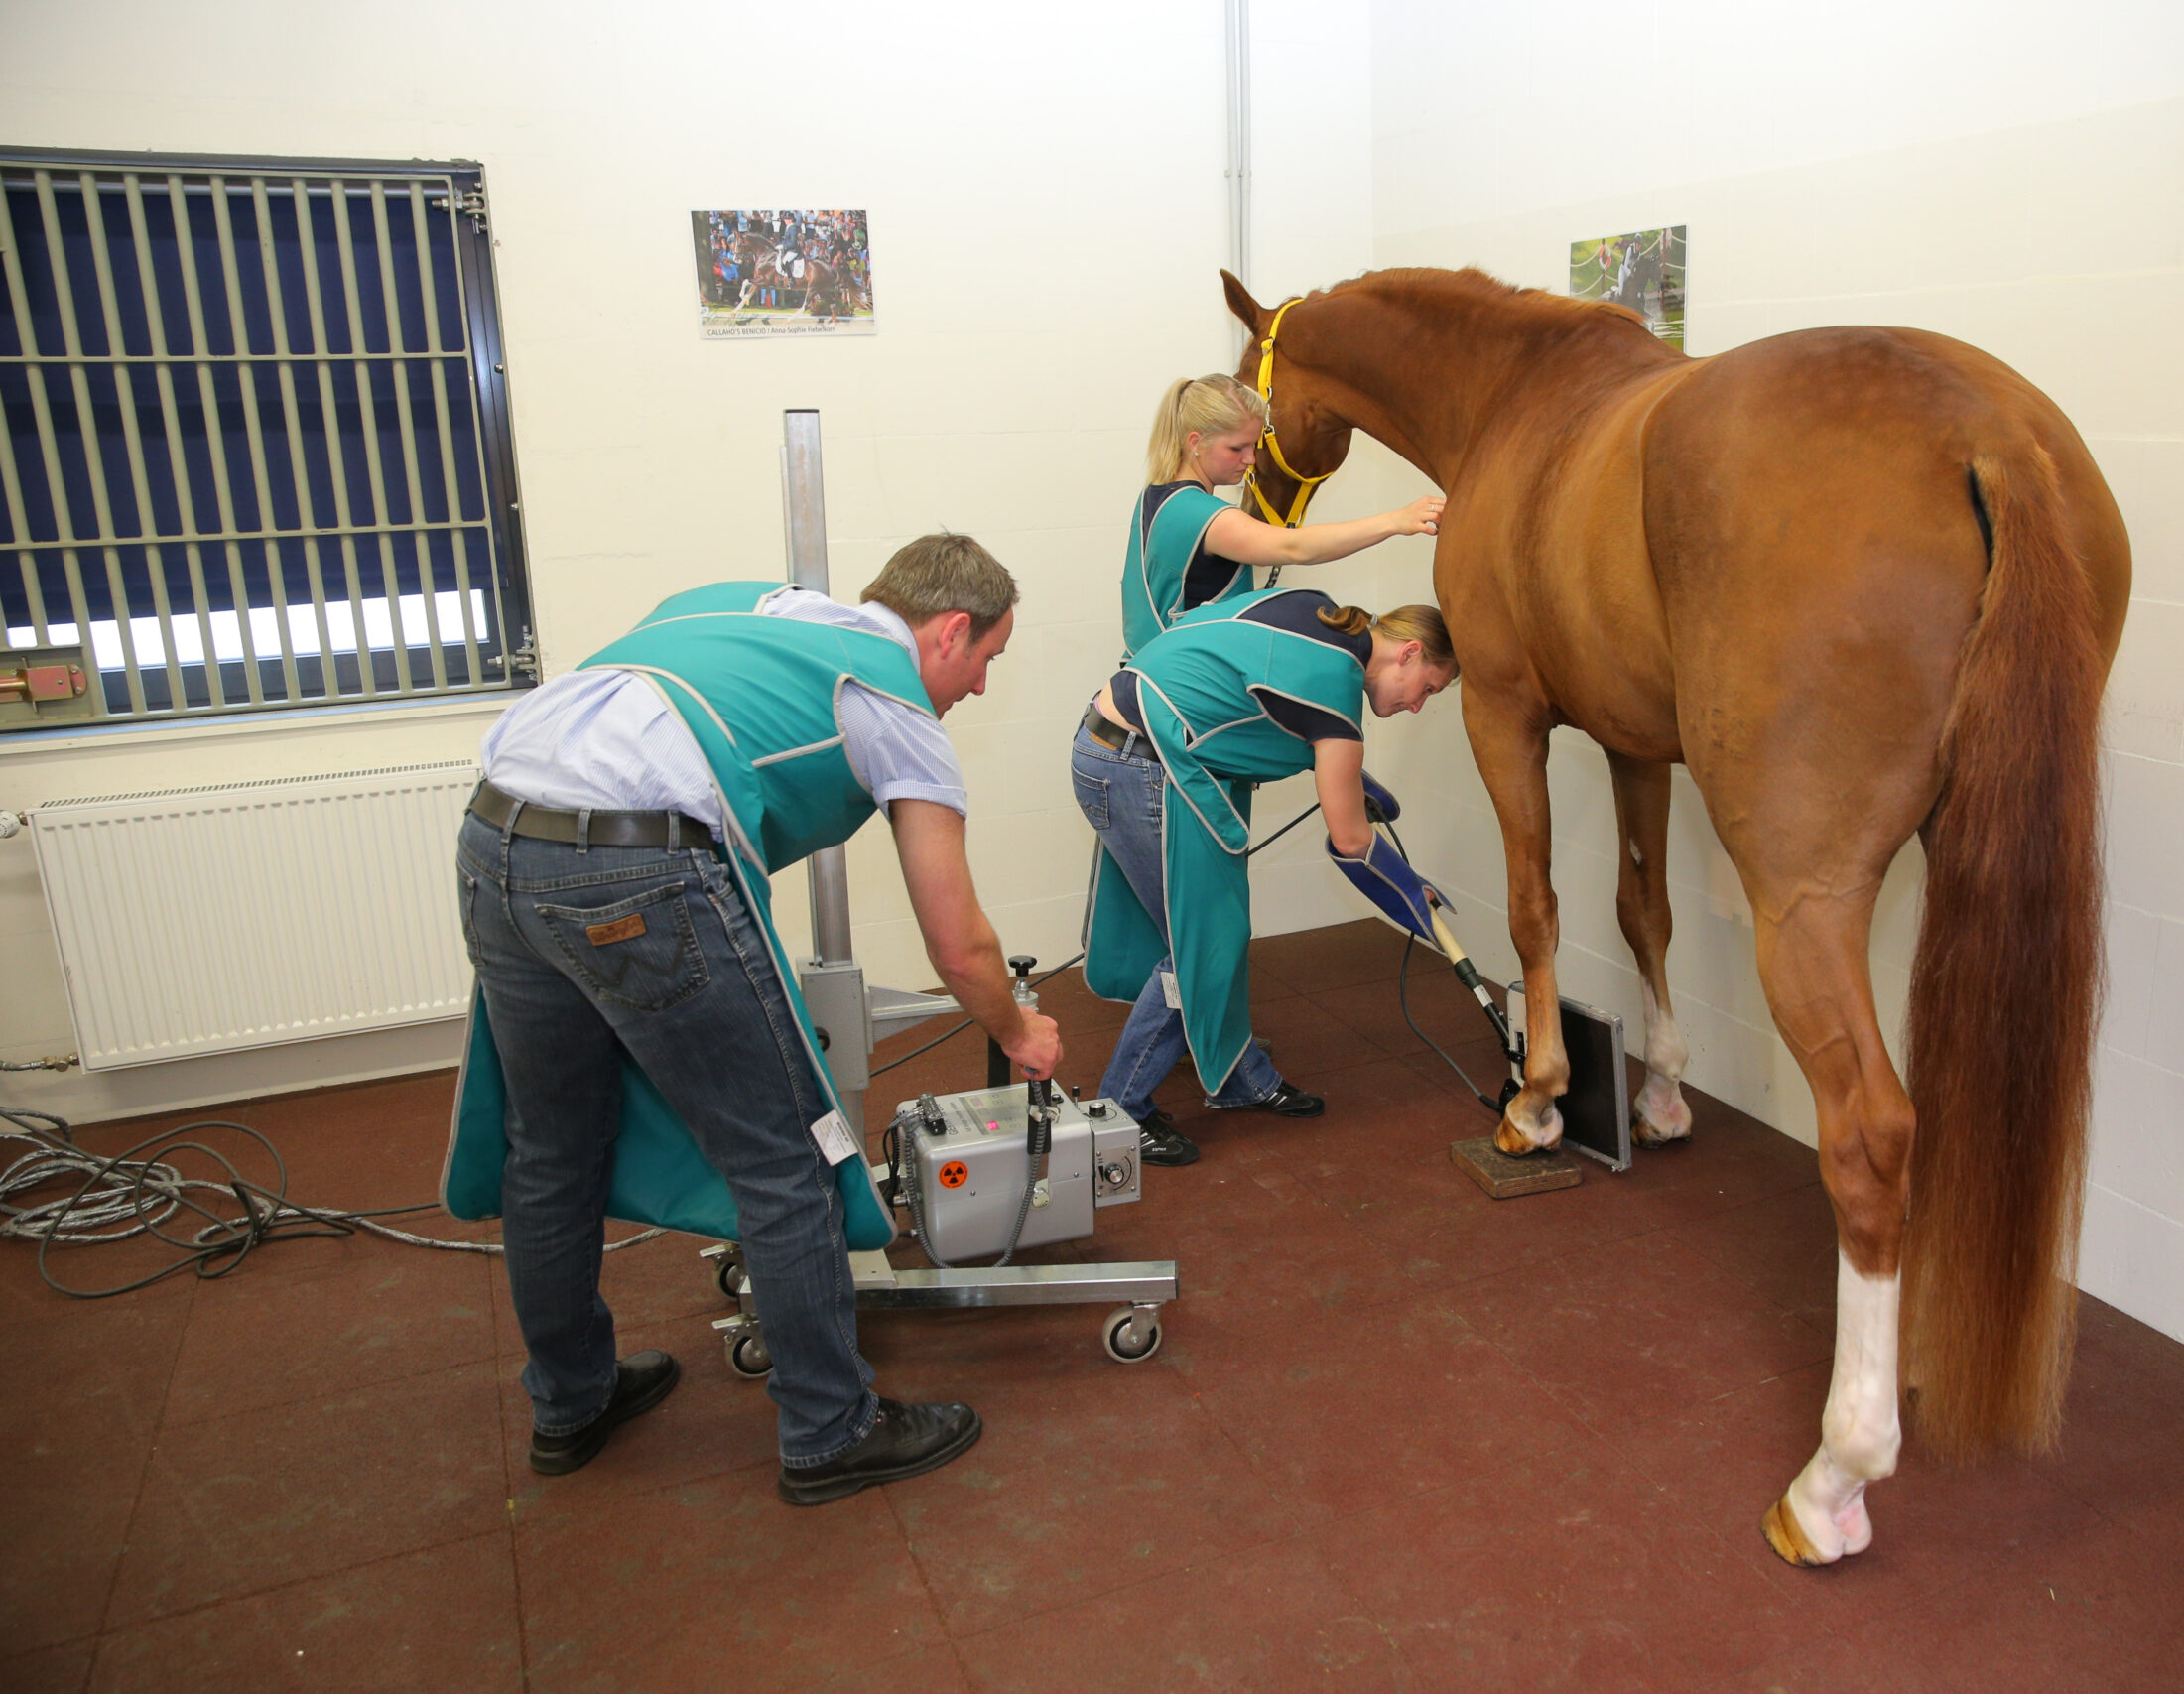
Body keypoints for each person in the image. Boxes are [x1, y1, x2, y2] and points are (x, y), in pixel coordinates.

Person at [446, 535, 1061, 1505]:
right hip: (637, 867)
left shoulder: (754, 602)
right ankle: (829, 1429)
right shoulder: (894, 705)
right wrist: (1020, 1031)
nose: (980, 686)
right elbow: (960, 948)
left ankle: (571, 1399)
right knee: (787, 1155)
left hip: (495, 836)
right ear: (950, 632)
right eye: (988, 659)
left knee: (549, 1146)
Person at [1076, 586, 1458, 1165]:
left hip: (1116, 747)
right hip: (1139, 766)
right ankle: (1119, 1110)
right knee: (1201, 946)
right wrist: (1407, 891)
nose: (1417, 705)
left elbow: (1252, 701)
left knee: (1217, 932)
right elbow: (1351, 841)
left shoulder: (1316, 612)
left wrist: (1349, 778)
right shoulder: (1336, 687)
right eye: (1427, 687)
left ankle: (1237, 1076)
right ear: (1406, 653)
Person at [1121, 375, 1445, 658]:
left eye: (1254, 446)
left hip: (1151, 673)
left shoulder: (1156, 496)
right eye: (1237, 448)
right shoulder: (1194, 513)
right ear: (1195, 442)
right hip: (1177, 684)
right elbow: (1295, 548)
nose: (1250, 459)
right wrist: (1395, 521)